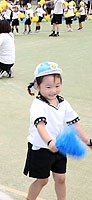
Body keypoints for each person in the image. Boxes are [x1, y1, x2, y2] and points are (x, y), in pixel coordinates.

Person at [24, 62, 92, 200]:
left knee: (61, 178)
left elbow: (74, 124)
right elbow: (40, 126)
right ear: (37, 86)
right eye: (48, 87)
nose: (53, 90)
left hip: (60, 147)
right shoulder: (37, 105)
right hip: (41, 148)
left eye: (57, 86)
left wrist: (88, 141)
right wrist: (49, 142)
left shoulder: (62, 103)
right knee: (42, 180)